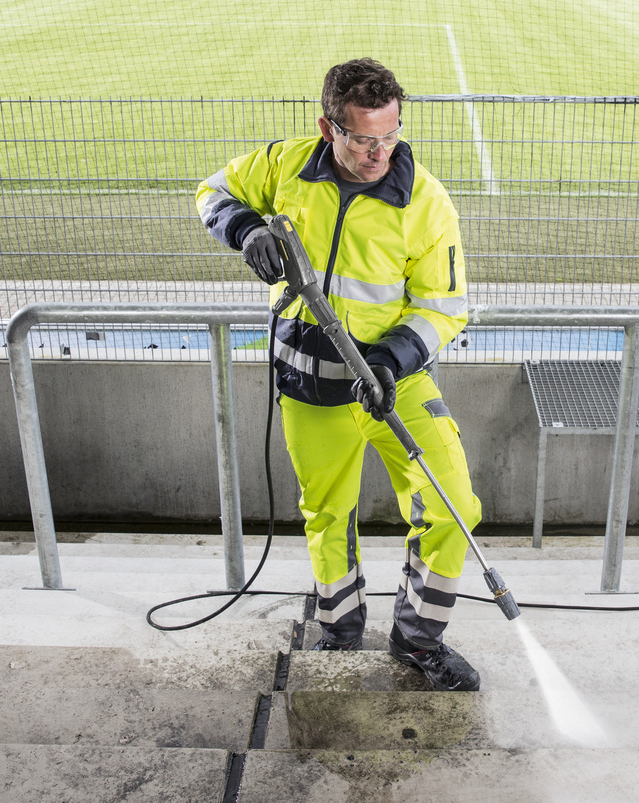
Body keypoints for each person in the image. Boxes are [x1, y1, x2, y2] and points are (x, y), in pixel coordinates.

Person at [196, 58, 481, 692]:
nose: (380, 152)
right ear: (329, 128)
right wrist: (244, 229)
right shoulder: (284, 165)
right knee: (327, 514)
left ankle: (417, 641)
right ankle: (340, 627)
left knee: (454, 504)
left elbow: (445, 305)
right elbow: (212, 192)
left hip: (394, 383)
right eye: (362, 138)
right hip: (308, 386)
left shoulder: (427, 202)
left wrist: (391, 360)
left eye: (391, 135)